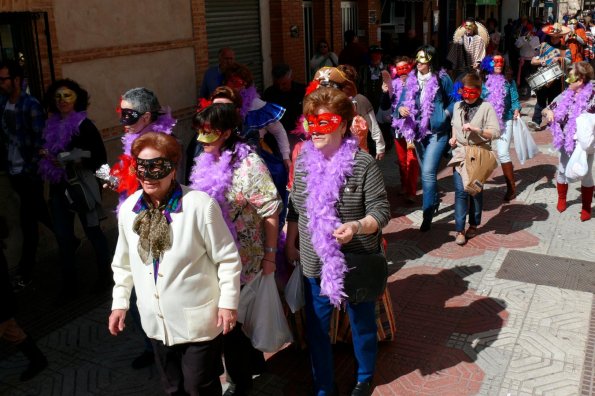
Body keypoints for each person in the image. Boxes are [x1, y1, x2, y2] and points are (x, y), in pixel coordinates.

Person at [109, 132, 242, 396]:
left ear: (173, 168)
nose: (148, 175)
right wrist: (119, 303)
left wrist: (228, 303)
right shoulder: (128, 211)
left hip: (200, 321)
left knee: (198, 387)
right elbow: (122, 263)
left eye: (157, 166)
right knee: (173, 388)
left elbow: (227, 258)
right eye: (141, 167)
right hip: (156, 322)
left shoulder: (199, 206)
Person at [286, 87, 390, 396]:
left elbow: (381, 212)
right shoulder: (303, 162)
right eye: (310, 123)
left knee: (361, 324)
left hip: (354, 259)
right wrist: (290, 242)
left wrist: (357, 226)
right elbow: (295, 206)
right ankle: (323, 386)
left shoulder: (363, 164)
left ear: (343, 125)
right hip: (314, 259)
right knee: (317, 330)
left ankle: (364, 376)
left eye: (324, 122)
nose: (315, 130)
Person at [189, 103, 281, 395]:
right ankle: (253, 365)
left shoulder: (249, 164)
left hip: (245, 257)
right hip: (215, 258)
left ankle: (239, 383)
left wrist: (270, 255)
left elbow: (270, 211)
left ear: (228, 132)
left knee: (231, 326)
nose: (202, 139)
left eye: (210, 133)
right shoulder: (205, 159)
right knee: (234, 323)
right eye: (200, 132)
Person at [38, 79, 111, 297]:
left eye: (67, 95)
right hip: (60, 189)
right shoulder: (51, 125)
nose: (62, 100)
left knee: (93, 232)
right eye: (58, 96)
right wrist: (48, 157)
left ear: (77, 98)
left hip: (81, 190)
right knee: (63, 237)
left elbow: (99, 156)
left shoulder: (84, 125)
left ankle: (104, 277)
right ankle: (69, 285)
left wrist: (76, 160)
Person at [0, 60, 52, 290]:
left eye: (4, 79)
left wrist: (32, 169)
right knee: (39, 211)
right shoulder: (2, 103)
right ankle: (69, 237)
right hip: (13, 170)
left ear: (17, 80)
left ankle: (25, 271)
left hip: (29, 173)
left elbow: (41, 140)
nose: (0, 83)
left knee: (27, 220)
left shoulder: (30, 104)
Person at [395, 45, 454, 231]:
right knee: (426, 174)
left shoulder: (442, 78)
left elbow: (454, 100)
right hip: (418, 134)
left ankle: (427, 214)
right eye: (417, 59)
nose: (418, 63)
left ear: (431, 61)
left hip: (437, 133)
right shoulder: (412, 79)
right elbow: (400, 104)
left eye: (423, 60)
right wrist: (400, 110)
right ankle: (434, 200)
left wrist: (444, 113)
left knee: (428, 173)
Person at [223, 62, 290, 226]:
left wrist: (286, 157)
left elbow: (279, 131)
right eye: (229, 82)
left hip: (258, 156)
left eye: (237, 82)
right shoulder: (221, 105)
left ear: (245, 84)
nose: (233, 86)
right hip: (229, 159)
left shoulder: (256, 105)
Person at [448, 72, 500, 245]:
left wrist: (476, 129)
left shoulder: (487, 107)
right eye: (465, 93)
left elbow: (495, 133)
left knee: (475, 191)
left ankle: (474, 224)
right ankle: (459, 229)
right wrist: (454, 136)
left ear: (479, 91)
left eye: (472, 93)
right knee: (461, 192)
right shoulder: (457, 106)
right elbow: (454, 124)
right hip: (461, 154)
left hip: (478, 155)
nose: (468, 97)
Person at [542, 62, 595, 221]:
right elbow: (546, 109)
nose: (567, 80)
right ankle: (562, 199)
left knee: (586, 173)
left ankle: (586, 207)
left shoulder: (593, 95)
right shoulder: (566, 94)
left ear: (581, 79)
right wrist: (549, 112)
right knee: (563, 170)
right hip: (566, 141)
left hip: (586, 143)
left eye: (570, 77)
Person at [0, 215, 48, 381]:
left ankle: (38, 360)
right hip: (4, 306)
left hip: (2, 305)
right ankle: (38, 359)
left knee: (10, 329)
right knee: (13, 331)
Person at [481, 55, 522, 201]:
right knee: (482, 152)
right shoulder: (484, 81)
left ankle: (511, 188)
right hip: (487, 122)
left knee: (503, 152)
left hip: (506, 119)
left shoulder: (509, 81)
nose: (498, 65)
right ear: (489, 64)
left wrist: (517, 109)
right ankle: (477, 186)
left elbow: (515, 99)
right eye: (495, 62)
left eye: (500, 62)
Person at [185, 86, 242, 182]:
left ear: (226, 134)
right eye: (215, 106)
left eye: (206, 133)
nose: (199, 139)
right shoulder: (203, 154)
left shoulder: (247, 163)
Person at [334, 65, 386, 160]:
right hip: (336, 156)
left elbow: (373, 125)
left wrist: (380, 146)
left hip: (360, 156)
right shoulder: (331, 102)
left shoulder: (361, 100)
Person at [528, 23, 572, 130]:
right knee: (540, 101)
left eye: (556, 34)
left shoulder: (565, 49)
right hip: (543, 77)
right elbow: (534, 59)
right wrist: (541, 61)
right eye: (553, 34)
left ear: (560, 35)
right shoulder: (543, 46)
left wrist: (560, 59)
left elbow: (570, 62)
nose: (554, 36)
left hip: (557, 80)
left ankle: (554, 123)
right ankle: (536, 122)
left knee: (554, 102)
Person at [390, 56, 419, 203]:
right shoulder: (392, 85)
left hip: (412, 128)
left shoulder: (417, 83)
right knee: (402, 161)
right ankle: (404, 184)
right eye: (399, 69)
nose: (402, 72)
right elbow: (387, 107)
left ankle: (412, 192)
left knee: (411, 159)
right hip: (398, 127)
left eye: (405, 68)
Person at [263, 63, 306, 147]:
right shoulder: (269, 93)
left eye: (284, 84)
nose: (280, 87)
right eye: (277, 84)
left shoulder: (302, 91)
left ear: (291, 78)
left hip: (299, 136)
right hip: (277, 139)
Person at [514, 24, 540, 94]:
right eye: (526, 31)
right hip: (524, 60)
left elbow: (536, 48)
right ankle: (524, 89)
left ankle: (533, 90)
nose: (528, 32)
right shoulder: (521, 38)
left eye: (529, 30)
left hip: (533, 59)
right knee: (524, 76)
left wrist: (529, 39)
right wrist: (524, 39)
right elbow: (517, 46)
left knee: (533, 74)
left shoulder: (536, 38)